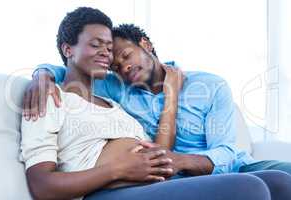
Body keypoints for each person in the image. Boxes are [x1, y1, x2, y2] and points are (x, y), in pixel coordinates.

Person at [21, 7, 291, 200]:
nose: (120, 64)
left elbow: (222, 152)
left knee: (280, 182)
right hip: (120, 185)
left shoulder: (206, 85)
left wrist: (176, 158)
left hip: (213, 169)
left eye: (118, 51)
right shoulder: (58, 95)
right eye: (114, 62)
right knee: (250, 190)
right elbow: (68, 72)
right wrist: (41, 75)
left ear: (146, 45)